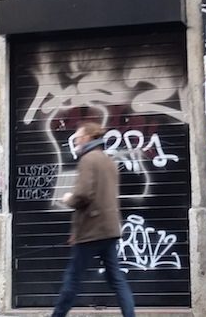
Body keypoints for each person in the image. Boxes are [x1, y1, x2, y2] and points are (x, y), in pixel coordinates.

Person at [52, 122, 135, 317]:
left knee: (73, 279)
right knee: (117, 280)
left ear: (88, 137)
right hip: (109, 229)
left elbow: (83, 195)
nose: (77, 141)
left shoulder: (88, 160)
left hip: (92, 230)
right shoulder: (109, 161)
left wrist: (68, 198)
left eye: (79, 137)